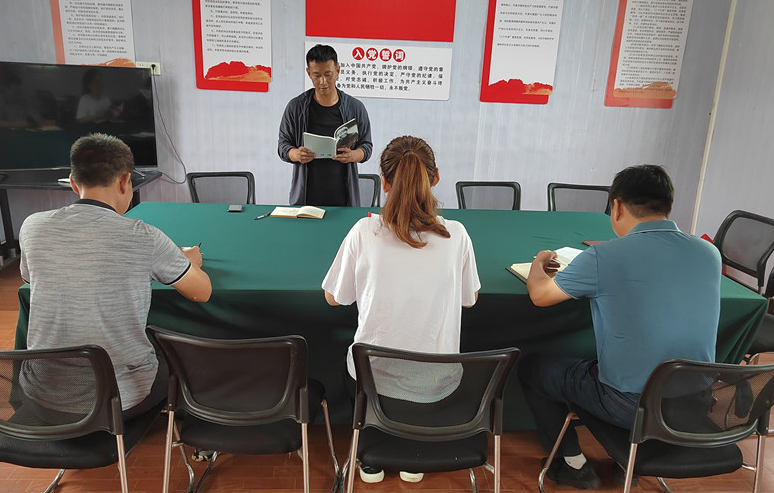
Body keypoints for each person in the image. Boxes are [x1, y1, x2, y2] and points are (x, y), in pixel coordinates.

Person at [519, 165, 721, 489]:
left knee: (533, 367)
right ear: (668, 204)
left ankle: (572, 464)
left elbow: (540, 295)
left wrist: (538, 263)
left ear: (617, 207)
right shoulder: (709, 253)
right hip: (694, 403)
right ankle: (625, 458)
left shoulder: (604, 255)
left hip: (629, 406)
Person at [19, 133, 212, 419]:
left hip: (42, 394)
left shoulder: (32, 226)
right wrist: (188, 261)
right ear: (125, 181)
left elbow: (30, 279)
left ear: (73, 183)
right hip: (118, 399)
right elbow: (201, 292)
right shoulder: (144, 236)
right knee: (176, 355)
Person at [322, 135, 480, 484]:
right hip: (436, 385)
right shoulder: (456, 234)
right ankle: (413, 453)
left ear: (384, 182)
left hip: (371, 380)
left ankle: (372, 456)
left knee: (351, 362)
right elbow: (469, 298)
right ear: (435, 178)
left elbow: (334, 298)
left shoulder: (364, 231)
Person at [278, 44, 372, 207]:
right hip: (305, 198)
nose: (323, 82)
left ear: (338, 70)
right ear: (309, 73)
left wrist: (352, 156)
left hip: (344, 198)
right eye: (316, 75)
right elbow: (283, 146)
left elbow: (367, 147)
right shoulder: (296, 107)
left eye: (328, 74)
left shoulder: (355, 108)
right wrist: (296, 154)